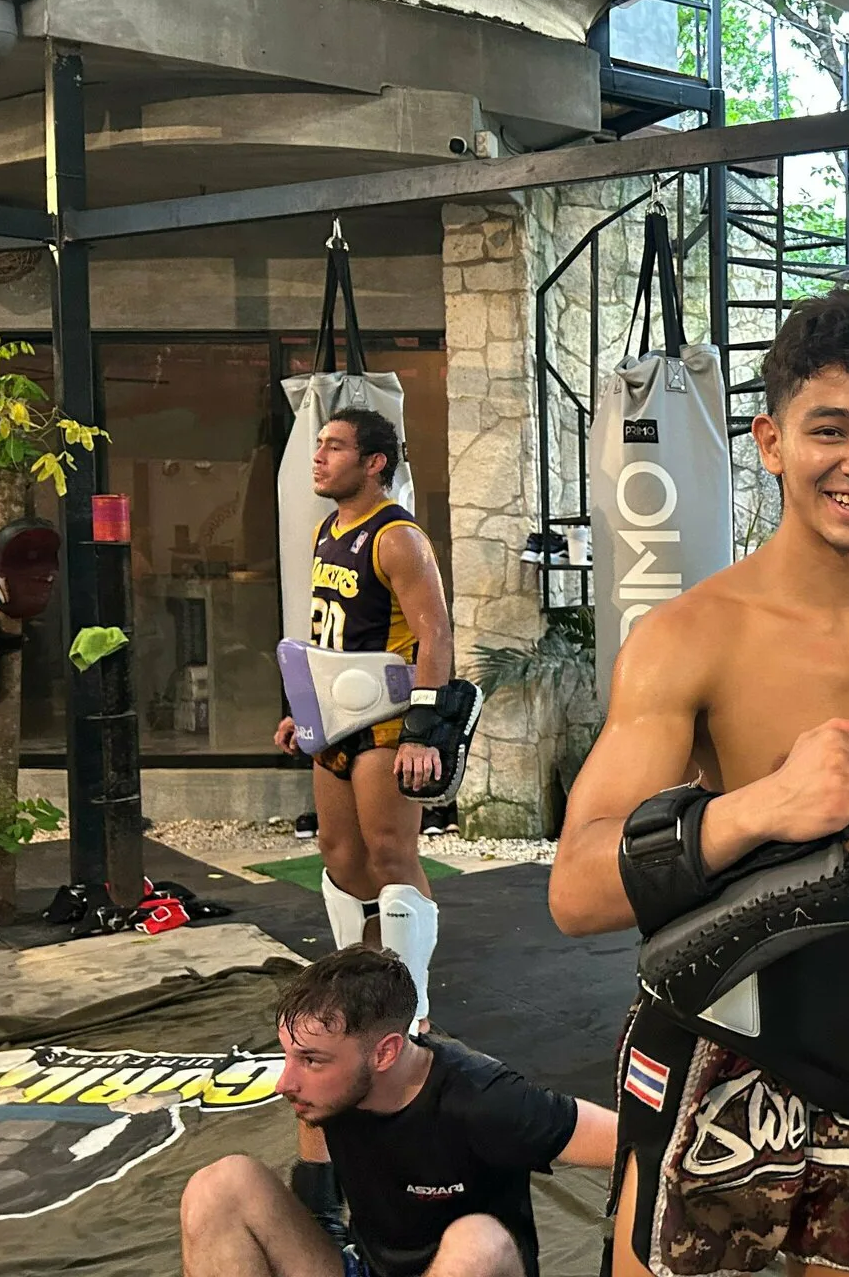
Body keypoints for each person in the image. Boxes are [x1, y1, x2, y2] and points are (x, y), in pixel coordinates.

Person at [548, 290, 849, 1277]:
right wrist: (758, 808)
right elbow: (574, 890)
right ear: (770, 442)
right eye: (831, 429)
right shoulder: (689, 638)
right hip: (727, 1041)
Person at [179, 947, 618, 1277]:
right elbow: (312, 1127)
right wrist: (321, 1210)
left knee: (477, 1242)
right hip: (368, 1267)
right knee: (219, 1186)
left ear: (385, 1053)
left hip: (462, 1267)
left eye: (311, 1059)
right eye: (290, 1055)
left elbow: (636, 1144)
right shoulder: (329, 1089)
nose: (285, 1082)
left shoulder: (484, 1097)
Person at [275, 407, 454, 1029]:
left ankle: (413, 1004)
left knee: (390, 855)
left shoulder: (398, 537)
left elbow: (435, 636)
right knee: (339, 855)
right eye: (319, 444)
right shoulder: (328, 530)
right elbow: (328, 630)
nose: (318, 456)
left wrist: (423, 732)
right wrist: (301, 709)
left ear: (374, 462)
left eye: (335, 446)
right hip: (333, 719)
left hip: (386, 722)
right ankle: (362, 988)